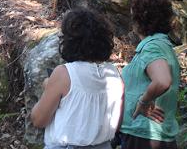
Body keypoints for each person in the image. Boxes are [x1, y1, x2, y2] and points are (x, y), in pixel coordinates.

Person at [31, 8, 124, 149]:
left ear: (69, 41)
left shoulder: (64, 73)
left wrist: (47, 88)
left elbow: (38, 119)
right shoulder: (114, 74)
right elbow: (117, 124)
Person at [120, 0, 180, 149]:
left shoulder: (152, 47)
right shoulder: (162, 45)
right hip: (152, 134)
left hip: (144, 135)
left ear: (138, 18)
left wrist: (143, 102)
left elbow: (162, 80)